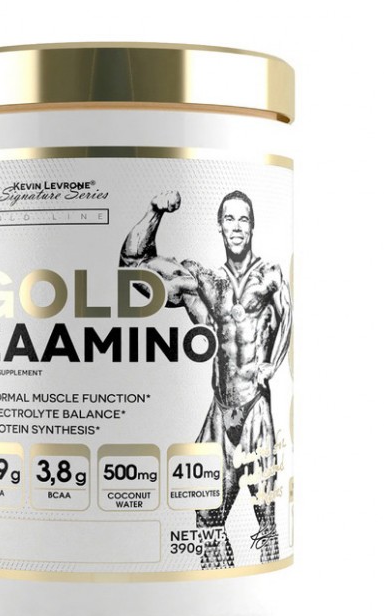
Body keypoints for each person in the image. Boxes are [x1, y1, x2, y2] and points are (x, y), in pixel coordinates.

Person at [121, 190, 292, 568]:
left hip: (255, 408)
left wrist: (271, 364)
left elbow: (289, 317)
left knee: (267, 518)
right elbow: (132, 268)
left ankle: (265, 576)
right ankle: (216, 582)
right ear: (219, 226)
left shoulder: (269, 275)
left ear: (252, 226)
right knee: (206, 516)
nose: (237, 227)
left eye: (243, 219)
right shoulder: (206, 283)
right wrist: (154, 212)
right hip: (220, 410)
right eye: (229, 219)